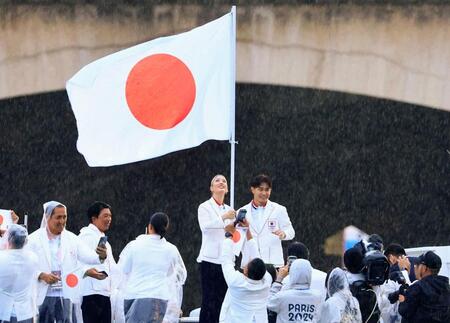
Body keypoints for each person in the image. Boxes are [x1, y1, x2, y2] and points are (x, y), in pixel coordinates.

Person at [27, 201, 107, 323]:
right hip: (43, 294)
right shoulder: (34, 239)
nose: (62, 221)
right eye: (58, 217)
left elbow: (89, 257)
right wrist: (41, 275)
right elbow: (24, 266)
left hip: (66, 294)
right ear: (48, 217)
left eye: (64, 217)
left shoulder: (71, 238)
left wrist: (100, 256)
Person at [118, 212, 186, 323]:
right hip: (157, 296)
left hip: (133, 294)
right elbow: (181, 275)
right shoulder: (171, 249)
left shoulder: (134, 245)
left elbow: (124, 269)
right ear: (166, 228)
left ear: (150, 226)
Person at [197, 174, 236, 323]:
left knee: (223, 300)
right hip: (210, 259)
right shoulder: (204, 207)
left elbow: (233, 234)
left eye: (224, 181)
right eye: (217, 181)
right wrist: (224, 217)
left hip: (226, 260)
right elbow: (205, 227)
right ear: (211, 188)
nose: (221, 182)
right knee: (208, 300)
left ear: (227, 189)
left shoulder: (230, 209)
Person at [221, 219, 272, 323]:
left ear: (245, 272)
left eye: (246, 265)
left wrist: (229, 235)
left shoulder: (236, 281)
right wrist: (247, 231)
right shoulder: (267, 280)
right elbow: (257, 257)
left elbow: (226, 260)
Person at [239, 174, 295, 267]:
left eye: (267, 190)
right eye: (260, 189)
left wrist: (284, 234)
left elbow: (291, 232)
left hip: (273, 263)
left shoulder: (279, 209)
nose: (264, 193)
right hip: (250, 264)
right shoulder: (241, 212)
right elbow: (237, 238)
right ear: (252, 189)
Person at [78, 201, 117, 323]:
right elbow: (76, 261)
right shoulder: (85, 236)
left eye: (110, 216)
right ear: (94, 219)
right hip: (91, 294)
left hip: (104, 293)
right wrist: (87, 271)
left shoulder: (103, 239)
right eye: (105, 216)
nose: (109, 219)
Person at [0, 225, 38, 323]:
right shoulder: (33, 258)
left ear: (8, 239)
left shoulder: (2, 257)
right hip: (25, 313)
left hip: (4, 312)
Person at [398, 251, 450, 322]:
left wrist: (403, 301)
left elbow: (404, 311)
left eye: (417, 265)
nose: (415, 267)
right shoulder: (446, 287)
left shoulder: (418, 287)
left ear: (424, 268)